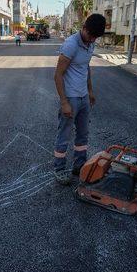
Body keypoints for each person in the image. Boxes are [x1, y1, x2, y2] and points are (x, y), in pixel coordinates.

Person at [53, 14, 106, 185]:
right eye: (90, 36)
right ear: (84, 28)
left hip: (83, 97)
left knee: (83, 134)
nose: (92, 40)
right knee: (65, 134)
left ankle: (79, 165)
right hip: (71, 98)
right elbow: (58, 75)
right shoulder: (71, 45)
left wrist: (90, 91)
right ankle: (59, 169)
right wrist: (64, 102)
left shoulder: (90, 43)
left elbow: (86, 67)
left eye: (95, 37)